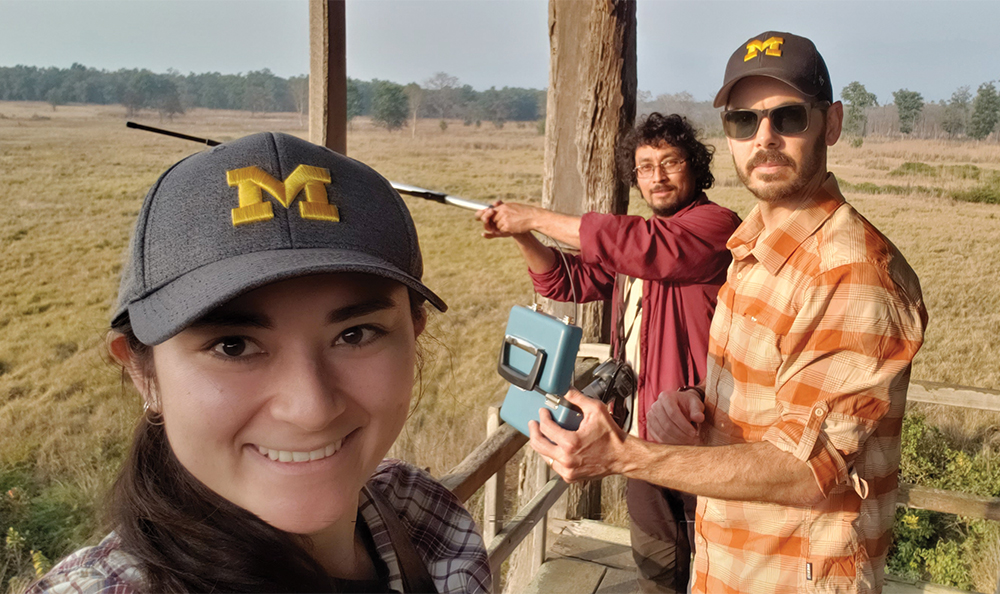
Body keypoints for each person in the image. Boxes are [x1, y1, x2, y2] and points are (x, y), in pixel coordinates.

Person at [526, 31, 928, 594]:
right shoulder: (754, 248)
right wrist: (702, 408)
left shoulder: (850, 271)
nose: (765, 138)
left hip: (794, 574)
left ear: (831, 124)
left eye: (788, 117)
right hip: (730, 560)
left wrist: (626, 455)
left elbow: (807, 467)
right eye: (744, 121)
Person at [29, 132, 491, 594]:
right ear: (143, 373)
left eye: (355, 334)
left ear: (415, 332)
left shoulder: (427, 520)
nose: (311, 409)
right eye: (233, 346)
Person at [476, 114, 740, 593]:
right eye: (644, 167)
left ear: (695, 168)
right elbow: (568, 279)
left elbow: (650, 248)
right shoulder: (634, 251)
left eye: (670, 162)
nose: (657, 176)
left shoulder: (714, 226)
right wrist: (521, 234)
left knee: (720, 566)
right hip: (638, 437)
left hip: (705, 433)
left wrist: (534, 214)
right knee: (656, 566)